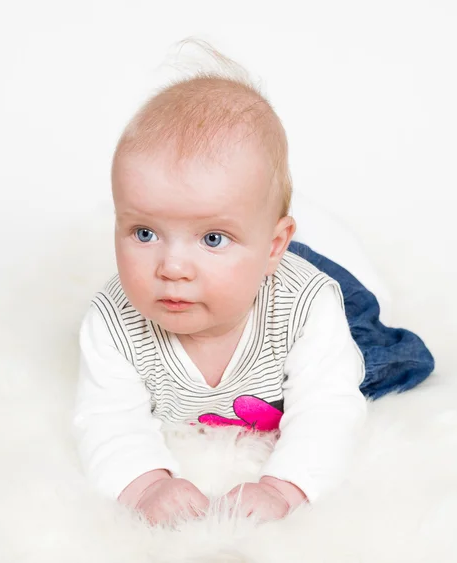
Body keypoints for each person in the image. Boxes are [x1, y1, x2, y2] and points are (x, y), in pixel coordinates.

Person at [73, 48, 434, 526]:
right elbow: (105, 420)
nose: (172, 267)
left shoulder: (308, 309)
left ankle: (302, 238)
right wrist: (147, 485)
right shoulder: (113, 321)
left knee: (372, 361)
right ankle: (241, 225)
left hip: (293, 286)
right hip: (253, 260)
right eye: (145, 233)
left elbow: (328, 410)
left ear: (273, 247)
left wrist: (283, 488)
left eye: (212, 237)